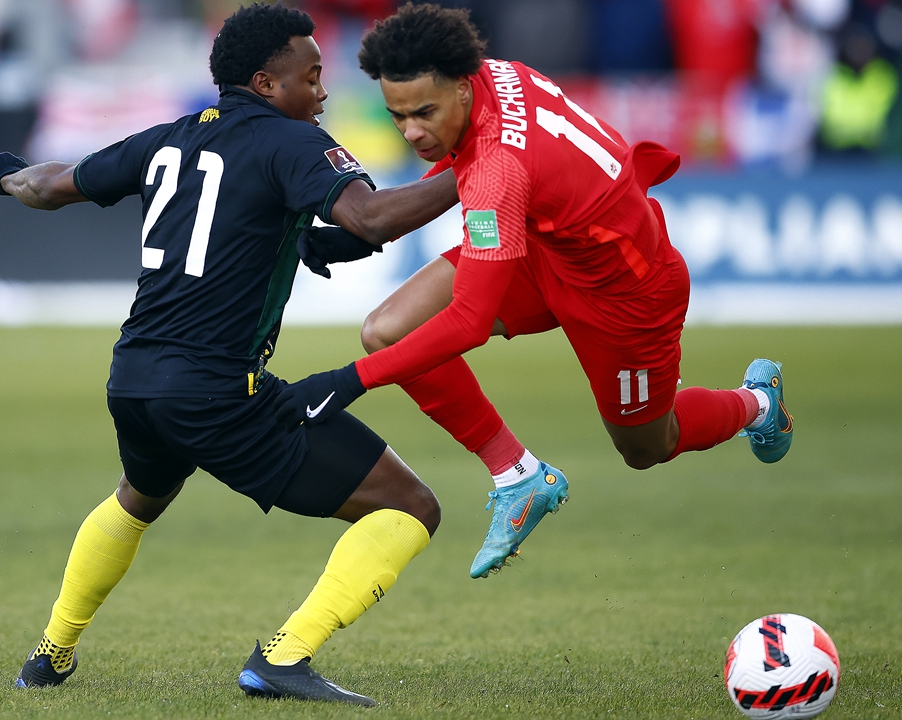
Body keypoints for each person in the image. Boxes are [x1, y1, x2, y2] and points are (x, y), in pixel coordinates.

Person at [0, 3, 460, 706]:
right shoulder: (296, 144)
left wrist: (2, 176)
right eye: (312, 75)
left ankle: (51, 654)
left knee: (139, 497)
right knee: (411, 506)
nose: (324, 91)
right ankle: (282, 658)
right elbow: (372, 216)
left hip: (134, 379)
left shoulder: (170, 137)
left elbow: (48, 185)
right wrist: (482, 171)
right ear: (268, 83)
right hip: (214, 393)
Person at [276, 2, 794, 578]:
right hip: (549, 248)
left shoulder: (499, 168)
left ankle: (757, 404)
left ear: (461, 88)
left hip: (626, 292)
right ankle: (518, 476)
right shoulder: (491, 75)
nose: (412, 131)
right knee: (388, 328)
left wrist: (345, 382)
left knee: (647, 447)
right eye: (397, 116)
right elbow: (469, 161)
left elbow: (471, 317)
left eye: (423, 112)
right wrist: (368, 238)